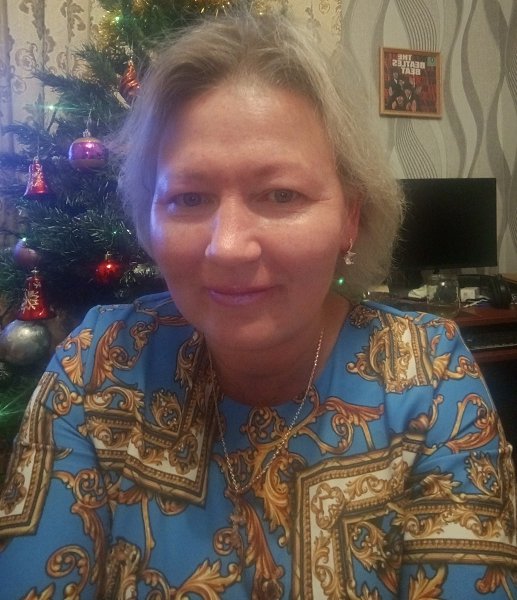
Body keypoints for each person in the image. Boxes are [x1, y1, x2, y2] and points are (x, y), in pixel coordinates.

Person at [1, 9, 516, 599]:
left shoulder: (431, 377)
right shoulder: (98, 363)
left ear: (349, 217)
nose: (228, 247)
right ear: (149, 216)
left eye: (281, 194)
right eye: (189, 197)